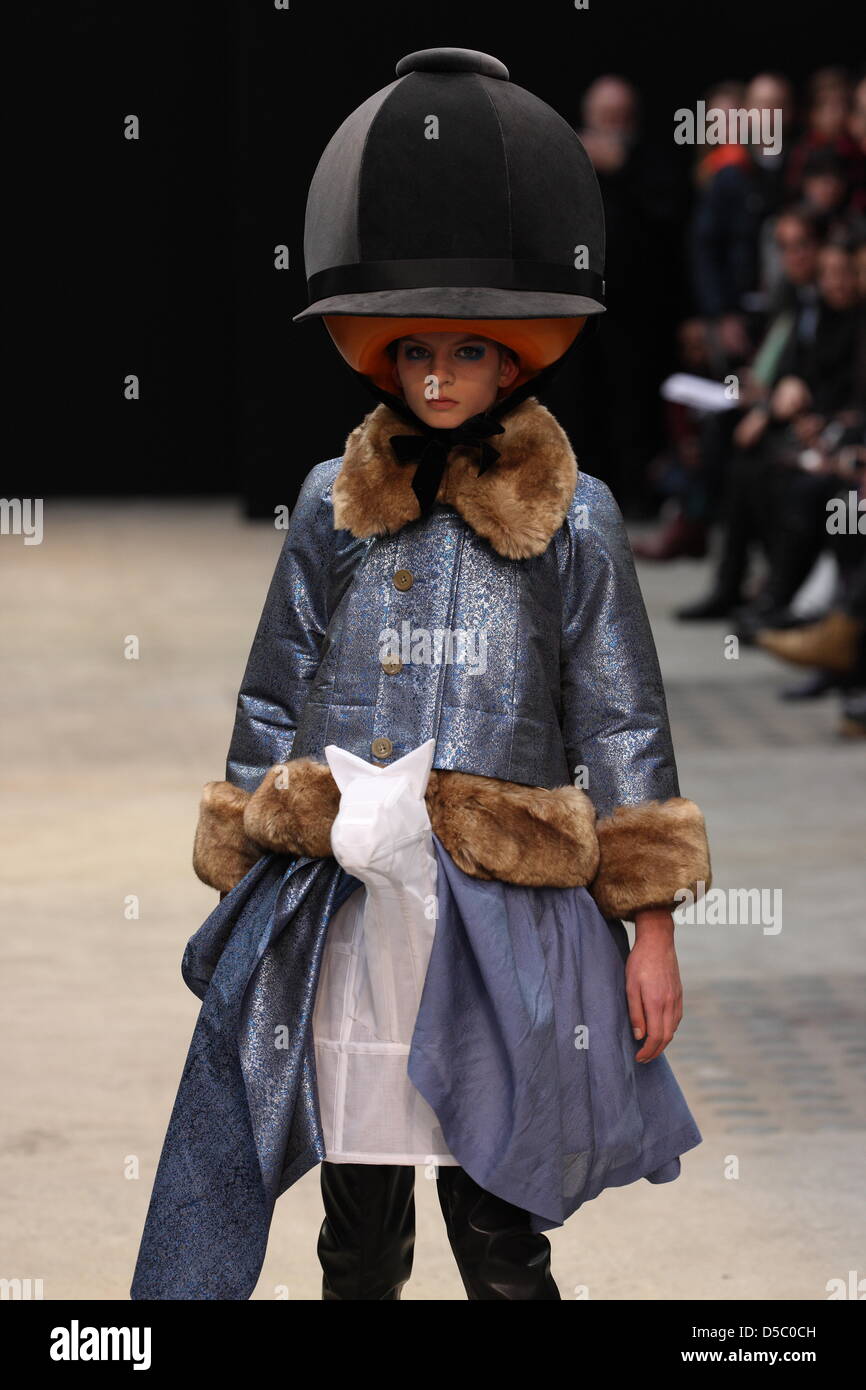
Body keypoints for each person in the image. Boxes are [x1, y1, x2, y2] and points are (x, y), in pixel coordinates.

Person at [131, 47, 712, 1302]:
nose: (438, 374)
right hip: (347, 909)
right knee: (358, 1226)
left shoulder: (579, 518)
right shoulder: (328, 507)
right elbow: (273, 689)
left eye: (467, 349)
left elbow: (620, 722)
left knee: (500, 1225)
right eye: (413, 351)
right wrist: (240, 871)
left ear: (517, 358)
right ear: (379, 358)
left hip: (502, 914)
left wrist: (649, 931)